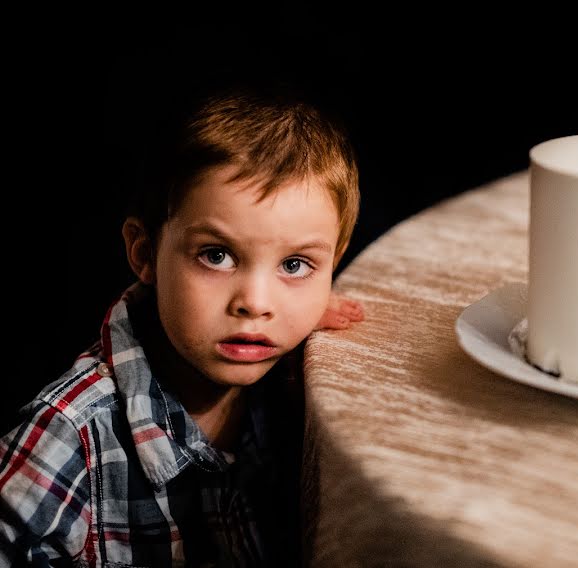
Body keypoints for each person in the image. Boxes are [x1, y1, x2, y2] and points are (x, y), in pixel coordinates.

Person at [0, 86, 363, 566]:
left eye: (294, 265)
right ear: (145, 253)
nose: (256, 303)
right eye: (216, 256)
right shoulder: (66, 437)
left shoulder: (299, 375)